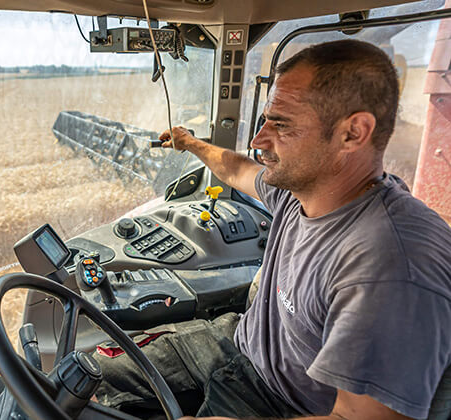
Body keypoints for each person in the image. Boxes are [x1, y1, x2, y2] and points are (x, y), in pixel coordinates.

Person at [92, 39, 451, 420]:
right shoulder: (303, 193)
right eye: (265, 119)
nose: (259, 140)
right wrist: (191, 143)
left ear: (354, 133)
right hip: (240, 345)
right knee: (85, 381)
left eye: (281, 124)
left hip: (276, 404)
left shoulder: (390, 264)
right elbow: (238, 168)